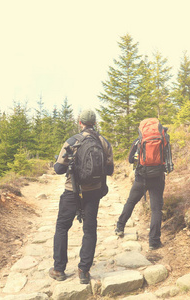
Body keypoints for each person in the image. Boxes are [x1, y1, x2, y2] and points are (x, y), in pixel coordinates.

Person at [49, 109, 114, 284]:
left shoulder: (72, 141)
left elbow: (58, 169)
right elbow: (110, 170)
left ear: (80, 123)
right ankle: (84, 271)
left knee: (62, 227)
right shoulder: (103, 142)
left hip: (72, 191)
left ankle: (58, 269)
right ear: (94, 123)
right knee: (90, 229)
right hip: (93, 192)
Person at [115, 119, 167, 251]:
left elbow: (130, 159)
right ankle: (154, 242)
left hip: (141, 178)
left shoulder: (139, 141)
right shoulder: (163, 139)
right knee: (156, 209)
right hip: (158, 178)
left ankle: (120, 227)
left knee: (131, 202)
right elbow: (167, 158)